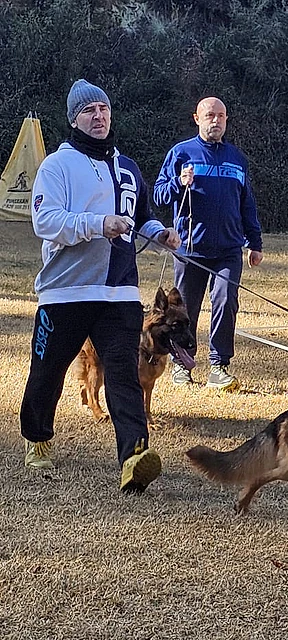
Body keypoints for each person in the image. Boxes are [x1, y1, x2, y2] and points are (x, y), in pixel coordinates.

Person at [20, 79, 181, 493]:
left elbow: (141, 216)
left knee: (124, 375)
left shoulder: (128, 168)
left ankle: (133, 457)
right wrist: (98, 224)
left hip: (120, 293)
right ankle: (37, 439)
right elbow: (46, 221)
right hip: (66, 292)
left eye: (104, 110)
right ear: (75, 119)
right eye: (89, 111)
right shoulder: (58, 166)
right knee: (48, 370)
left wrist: (159, 233)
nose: (99, 117)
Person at [154, 96, 263, 391]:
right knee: (184, 311)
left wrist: (255, 242)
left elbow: (247, 203)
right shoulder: (181, 153)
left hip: (228, 250)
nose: (216, 121)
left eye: (221, 116)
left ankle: (219, 366)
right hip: (190, 250)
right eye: (210, 115)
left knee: (226, 301)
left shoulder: (237, 159)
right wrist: (178, 182)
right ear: (197, 118)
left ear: (226, 120)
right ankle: (182, 365)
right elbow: (159, 195)